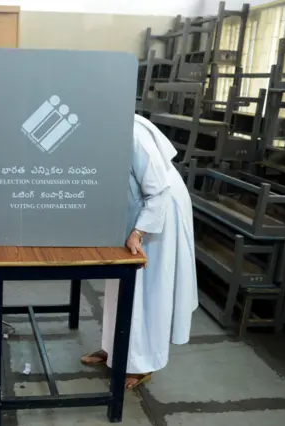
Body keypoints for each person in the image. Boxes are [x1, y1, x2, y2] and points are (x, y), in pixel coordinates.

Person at [81, 114, 198, 389]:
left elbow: (158, 190)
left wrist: (139, 231)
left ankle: (144, 363)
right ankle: (114, 349)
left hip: (158, 213)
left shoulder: (132, 133)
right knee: (119, 285)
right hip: (137, 207)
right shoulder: (98, 124)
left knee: (148, 290)